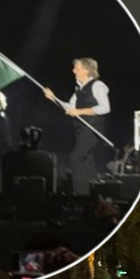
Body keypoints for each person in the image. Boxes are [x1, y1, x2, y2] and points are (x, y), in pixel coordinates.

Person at [44, 57, 111, 195]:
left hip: (93, 129)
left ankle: (81, 194)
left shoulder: (97, 86)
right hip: (81, 130)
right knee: (87, 161)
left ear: (87, 70)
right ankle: (95, 196)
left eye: (77, 68)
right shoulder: (78, 90)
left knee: (76, 158)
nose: (73, 71)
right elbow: (70, 107)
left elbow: (105, 107)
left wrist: (79, 111)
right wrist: (53, 98)